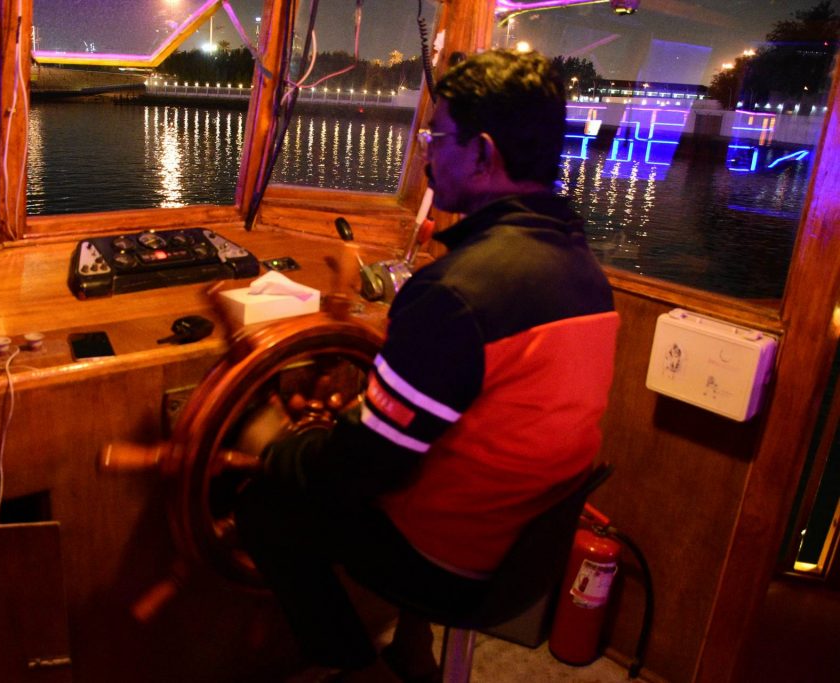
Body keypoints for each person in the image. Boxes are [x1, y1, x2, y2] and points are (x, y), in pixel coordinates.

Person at [234, 48, 619, 682]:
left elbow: (360, 468)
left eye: (435, 137)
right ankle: (412, 650)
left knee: (267, 510)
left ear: (483, 152)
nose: (425, 153)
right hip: (529, 552)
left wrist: (276, 448)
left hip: (452, 564)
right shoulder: (585, 273)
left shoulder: (455, 293)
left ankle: (358, 672)